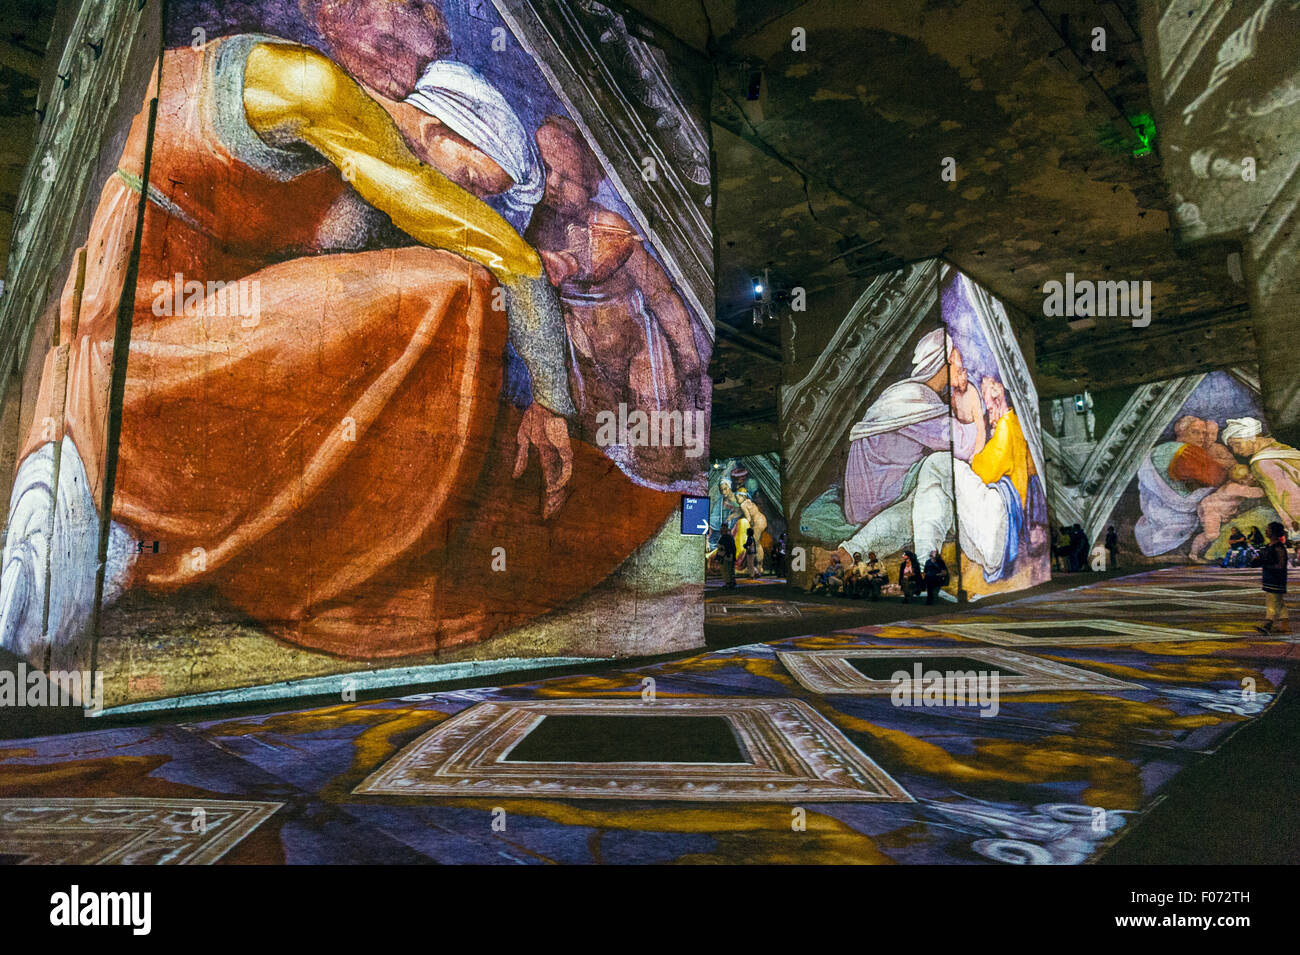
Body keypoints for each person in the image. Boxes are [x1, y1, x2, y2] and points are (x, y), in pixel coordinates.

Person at [1257, 521, 1289, 634]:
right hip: (1269, 578)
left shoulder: (1279, 548)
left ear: (1274, 532)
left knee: (1272, 602)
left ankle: (1268, 623)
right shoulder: (1268, 546)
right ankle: (1285, 626)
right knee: (1278, 602)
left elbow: (1280, 565)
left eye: (1268, 529)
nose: (1266, 531)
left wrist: (1265, 563)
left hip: (1276, 579)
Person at [717, 524, 737, 588]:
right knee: (730, 570)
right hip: (729, 556)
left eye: (722, 528)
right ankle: (731, 582)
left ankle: (728, 583)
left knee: (726, 570)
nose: (721, 530)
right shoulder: (730, 537)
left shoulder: (724, 537)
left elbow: (723, 548)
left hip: (725, 556)